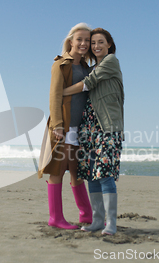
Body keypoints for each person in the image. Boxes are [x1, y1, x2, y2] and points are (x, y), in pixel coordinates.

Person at [63, 28, 124, 235]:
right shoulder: (93, 66)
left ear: (109, 44)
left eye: (100, 42)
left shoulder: (110, 61)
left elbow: (87, 84)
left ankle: (111, 223)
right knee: (91, 174)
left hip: (107, 127)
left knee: (105, 175)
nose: (96, 46)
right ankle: (97, 220)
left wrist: (61, 92)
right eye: (93, 43)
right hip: (89, 127)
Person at [38, 23, 94, 229]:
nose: (83, 43)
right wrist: (58, 126)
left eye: (87, 40)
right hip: (65, 126)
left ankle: (86, 215)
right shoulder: (61, 64)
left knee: (77, 171)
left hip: (80, 127)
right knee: (58, 169)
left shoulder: (87, 67)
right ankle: (55, 218)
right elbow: (54, 95)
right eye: (79, 39)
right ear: (71, 41)